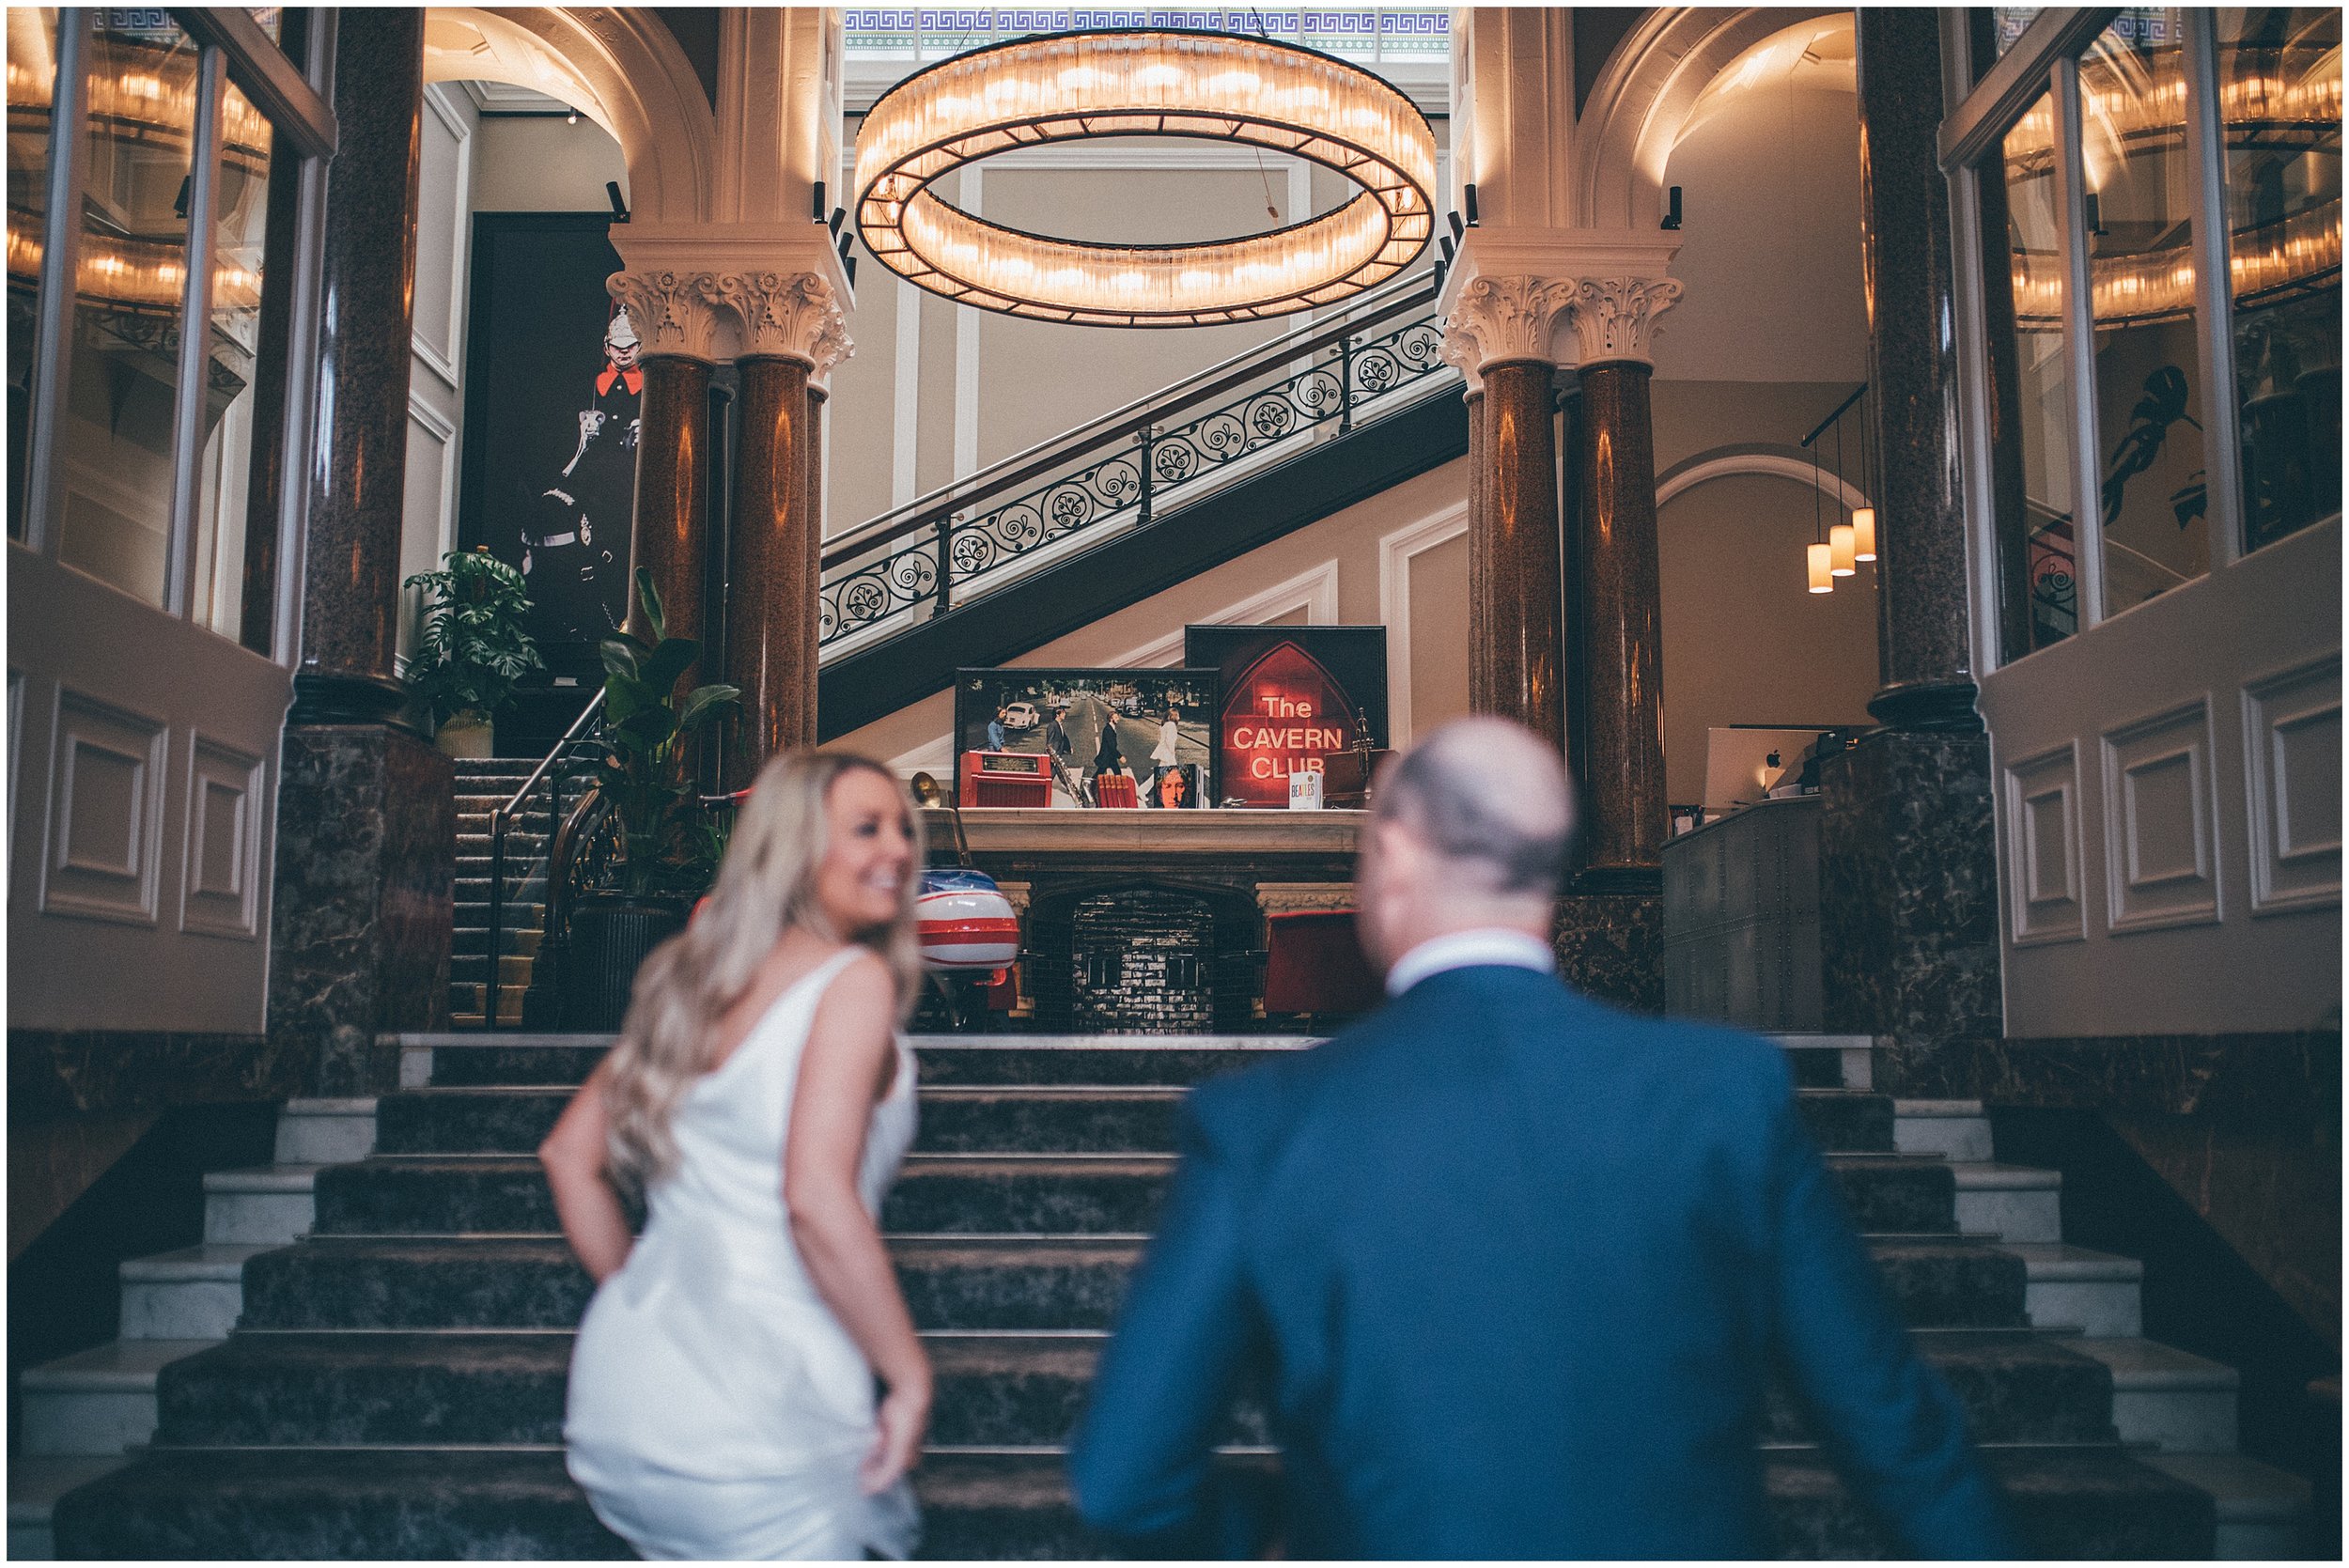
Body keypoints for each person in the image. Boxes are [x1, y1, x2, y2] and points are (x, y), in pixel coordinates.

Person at [1066, 717, 2017, 1560]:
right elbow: (1893, 1431)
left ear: (1395, 856)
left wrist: (1299, 1523)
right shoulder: (1725, 1095)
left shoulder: (1261, 1123)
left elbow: (1125, 1478)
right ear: (1548, 868)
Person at [546, 752, 930, 1560]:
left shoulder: (696, 982)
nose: (896, 849)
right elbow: (815, 1198)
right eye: (866, 828)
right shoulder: (851, 982)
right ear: (795, 848)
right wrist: (909, 1377)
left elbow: (568, 1155)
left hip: (626, 1393)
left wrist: (649, 1299)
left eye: (902, 826)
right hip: (759, 1413)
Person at [1149, 707, 1180, 804]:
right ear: (1173, 716)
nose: (1179, 717)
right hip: (1168, 754)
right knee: (1172, 774)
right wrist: (1172, 752)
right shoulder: (1171, 725)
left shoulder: (1164, 725)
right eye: (1177, 715)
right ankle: (1174, 795)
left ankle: (1169, 794)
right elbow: (1169, 741)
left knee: (1163, 774)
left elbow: (1160, 739)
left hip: (1165, 753)